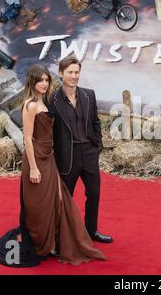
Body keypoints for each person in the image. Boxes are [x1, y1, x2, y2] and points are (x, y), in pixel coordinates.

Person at [0, 64, 107, 267]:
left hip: (50, 156)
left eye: (46, 80)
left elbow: (88, 122)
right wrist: (34, 167)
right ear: (32, 82)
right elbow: (27, 139)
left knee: (57, 199)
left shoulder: (46, 101)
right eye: (40, 80)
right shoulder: (31, 104)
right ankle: (44, 243)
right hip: (37, 157)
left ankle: (58, 240)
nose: (44, 83)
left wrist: (97, 144)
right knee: (41, 203)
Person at [49, 56, 113, 243]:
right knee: (64, 198)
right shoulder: (52, 100)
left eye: (77, 72)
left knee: (94, 194)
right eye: (70, 72)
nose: (74, 76)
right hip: (67, 156)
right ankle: (61, 234)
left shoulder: (88, 95)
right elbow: (48, 130)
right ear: (61, 73)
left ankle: (91, 231)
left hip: (90, 153)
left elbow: (95, 121)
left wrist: (98, 144)